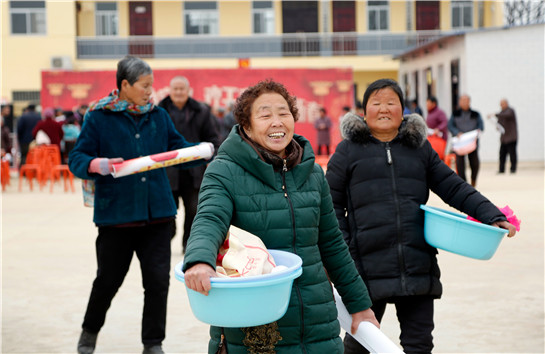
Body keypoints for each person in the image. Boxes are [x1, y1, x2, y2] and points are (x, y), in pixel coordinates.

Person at [182, 79, 379, 353]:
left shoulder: (311, 173)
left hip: (317, 322)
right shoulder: (224, 171)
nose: (277, 122)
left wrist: (360, 305)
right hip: (255, 324)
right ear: (247, 126)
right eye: (265, 115)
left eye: (284, 113)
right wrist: (200, 261)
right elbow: (209, 219)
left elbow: (332, 243)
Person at [325, 78, 517, 354]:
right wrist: (346, 252)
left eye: (391, 103)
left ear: (402, 110)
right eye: (376, 103)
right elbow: (330, 206)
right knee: (359, 345)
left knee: (419, 345)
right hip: (364, 270)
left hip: (416, 267)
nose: (383, 109)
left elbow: (453, 186)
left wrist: (490, 214)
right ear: (363, 111)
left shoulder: (419, 149)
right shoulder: (347, 151)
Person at [69, 56, 212, 354]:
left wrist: (204, 152)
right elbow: (77, 159)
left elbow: (177, 149)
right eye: (144, 85)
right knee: (107, 281)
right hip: (116, 218)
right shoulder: (99, 117)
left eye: (152, 85)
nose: (151, 91)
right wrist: (99, 164)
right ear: (124, 85)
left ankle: (153, 344)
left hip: (158, 216)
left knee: (158, 284)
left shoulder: (158, 116)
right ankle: (89, 333)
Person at [158, 76, 221, 253]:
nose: (178, 92)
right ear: (170, 91)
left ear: (188, 91)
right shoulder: (159, 111)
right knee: (167, 210)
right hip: (166, 171)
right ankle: (169, 235)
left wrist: (211, 159)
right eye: (175, 89)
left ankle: (188, 244)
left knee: (194, 209)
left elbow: (213, 139)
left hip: (194, 171)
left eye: (181, 89)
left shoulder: (201, 111)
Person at [447, 94, 484, 187]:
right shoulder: (455, 114)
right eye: (462, 101)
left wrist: (477, 132)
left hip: (472, 143)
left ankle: (473, 180)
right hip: (460, 144)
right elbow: (450, 126)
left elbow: (481, 126)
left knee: (475, 163)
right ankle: (464, 184)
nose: (464, 102)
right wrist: (457, 132)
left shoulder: (476, 114)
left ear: (469, 102)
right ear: (459, 102)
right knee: (460, 165)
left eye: (466, 100)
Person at [488, 99, 518, 174]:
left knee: (512, 154)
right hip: (504, 138)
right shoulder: (501, 113)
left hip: (511, 137)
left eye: (503, 104)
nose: (502, 105)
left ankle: (513, 169)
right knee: (502, 154)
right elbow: (499, 123)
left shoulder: (510, 111)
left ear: (507, 104)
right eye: (501, 104)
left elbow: (506, 115)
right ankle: (501, 169)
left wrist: (495, 114)